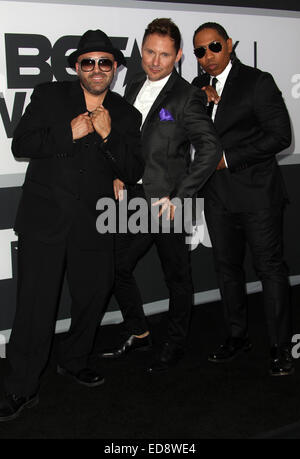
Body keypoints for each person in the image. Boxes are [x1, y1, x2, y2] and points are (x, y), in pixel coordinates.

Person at [0, 29, 144, 422]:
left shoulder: (126, 114)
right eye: (88, 62)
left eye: (105, 63)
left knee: (93, 296)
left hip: (95, 223)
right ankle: (21, 387)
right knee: (34, 308)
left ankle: (73, 359)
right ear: (76, 67)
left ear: (115, 69)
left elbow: (133, 169)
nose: (97, 69)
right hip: (45, 219)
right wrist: (70, 132)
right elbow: (22, 145)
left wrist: (109, 135)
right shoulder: (49, 96)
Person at [100, 18, 222, 372]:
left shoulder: (187, 96)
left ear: (178, 55)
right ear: (142, 52)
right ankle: (140, 332)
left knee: (177, 276)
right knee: (115, 265)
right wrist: (117, 173)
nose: (155, 61)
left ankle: (176, 342)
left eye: (165, 55)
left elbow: (211, 149)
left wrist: (181, 196)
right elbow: (126, 138)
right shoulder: (133, 84)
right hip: (135, 197)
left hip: (169, 202)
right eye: (150, 52)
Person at [192, 22, 293, 376]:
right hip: (217, 197)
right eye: (200, 51)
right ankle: (238, 336)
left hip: (257, 194)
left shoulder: (257, 81)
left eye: (214, 46)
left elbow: (281, 136)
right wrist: (196, 101)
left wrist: (228, 159)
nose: (208, 57)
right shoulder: (196, 87)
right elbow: (168, 120)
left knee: (269, 269)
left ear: (230, 44)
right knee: (227, 270)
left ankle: (281, 346)